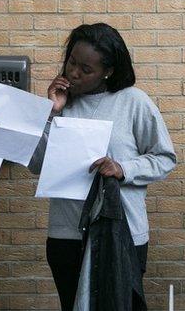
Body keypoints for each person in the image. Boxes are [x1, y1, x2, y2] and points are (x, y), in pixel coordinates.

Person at [28, 23, 176, 310]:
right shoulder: (60, 103)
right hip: (66, 234)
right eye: (72, 62)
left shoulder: (134, 102)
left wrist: (123, 169)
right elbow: (36, 165)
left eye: (86, 69)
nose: (73, 73)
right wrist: (50, 113)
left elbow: (164, 158)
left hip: (123, 234)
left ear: (107, 71)